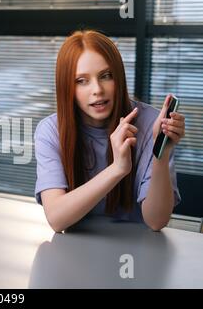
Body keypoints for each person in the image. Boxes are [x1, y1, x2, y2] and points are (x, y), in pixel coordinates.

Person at [34, 30, 185, 232]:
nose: (97, 89)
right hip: (75, 253)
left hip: (138, 254)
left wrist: (161, 153)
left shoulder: (151, 124)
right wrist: (117, 169)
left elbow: (156, 221)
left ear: (119, 78)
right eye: (81, 80)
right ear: (66, 87)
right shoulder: (51, 131)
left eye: (106, 76)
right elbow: (56, 219)